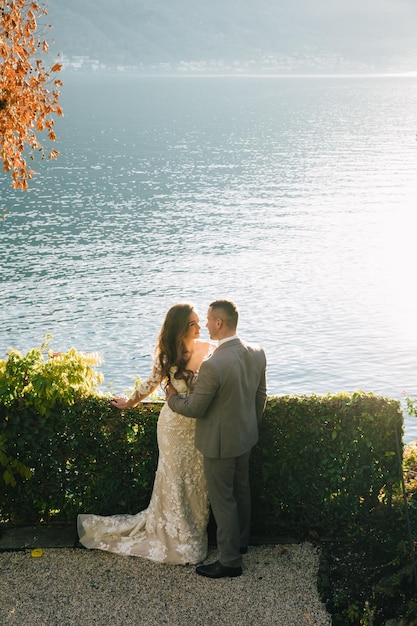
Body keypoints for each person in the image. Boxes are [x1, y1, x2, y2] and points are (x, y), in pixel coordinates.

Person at [77, 303, 216, 565]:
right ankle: (177, 539)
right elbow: (149, 384)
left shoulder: (211, 350)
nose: (200, 327)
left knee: (197, 480)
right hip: (173, 427)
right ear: (179, 328)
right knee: (174, 480)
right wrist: (130, 403)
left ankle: (195, 532)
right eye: (193, 323)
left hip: (199, 427)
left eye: (199, 322)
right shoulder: (167, 356)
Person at [166, 299, 267, 578]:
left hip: (219, 444)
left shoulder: (213, 364)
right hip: (246, 437)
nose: (206, 325)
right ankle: (241, 543)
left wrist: (173, 399)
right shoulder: (257, 352)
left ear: (219, 323)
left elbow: (195, 408)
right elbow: (261, 397)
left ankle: (230, 561)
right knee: (241, 490)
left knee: (223, 501)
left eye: (208, 320)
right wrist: (250, 426)